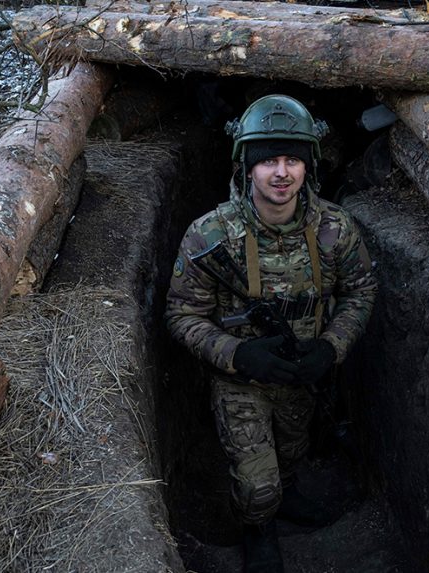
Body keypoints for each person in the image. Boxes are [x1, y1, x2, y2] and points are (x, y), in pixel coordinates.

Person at [165, 94, 377, 573]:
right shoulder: (209, 235)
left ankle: (289, 493)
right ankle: (258, 527)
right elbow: (180, 315)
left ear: (308, 167)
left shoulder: (335, 230)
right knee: (258, 485)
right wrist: (239, 356)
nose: (281, 173)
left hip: (301, 371)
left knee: (294, 448)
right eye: (269, 162)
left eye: (292, 160)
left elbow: (361, 292)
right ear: (247, 168)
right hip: (241, 377)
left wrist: (330, 347)